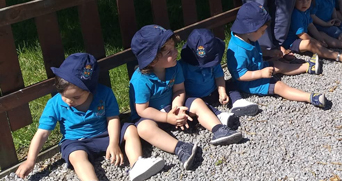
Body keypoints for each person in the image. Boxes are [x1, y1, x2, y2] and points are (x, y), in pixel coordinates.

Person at [16, 53, 164, 181]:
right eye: (63, 95)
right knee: (76, 156)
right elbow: (42, 133)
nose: (68, 101)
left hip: (105, 133)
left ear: (90, 90)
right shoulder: (54, 104)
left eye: (76, 97)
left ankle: (137, 164)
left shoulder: (104, 94)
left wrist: (113, 143)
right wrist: (30, 160)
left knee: (130, 130)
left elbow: (112, 119)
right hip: (77, 141)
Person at [129, 26, 242, 172]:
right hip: (151, 115)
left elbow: (179, 90)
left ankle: (218, 129)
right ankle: (181, 148)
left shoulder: (174, 67)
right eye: (169, 52)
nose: (176, 52)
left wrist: (177, 107)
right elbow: (142, 110)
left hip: (172, 105)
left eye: (174, 48)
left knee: (197, 102)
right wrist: (167, 118)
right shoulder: (140, 80)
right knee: (143, 129)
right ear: (152, 61)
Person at [227, 1, 327, 108]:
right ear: (250, 30)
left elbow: (256, 50)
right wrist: (261, 74)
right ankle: (310, 97)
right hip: (249, 82)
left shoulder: (248, 38)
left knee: (278, 64)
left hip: (258, 67)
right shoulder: (238, 52)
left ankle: (308, 67)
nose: (263, 34)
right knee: (279, 86)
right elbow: (240, 75)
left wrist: (269, 52)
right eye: (262, 31)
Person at [179, 28, 259, 128]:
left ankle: (237, 101)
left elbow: (219, 76)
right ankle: (219, 115)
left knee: (230, 83)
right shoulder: (182, 67)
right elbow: (180, 88)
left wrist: (222, 91)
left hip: (214, 90)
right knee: (197, 105)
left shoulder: (212, 60)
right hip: (197, 97)